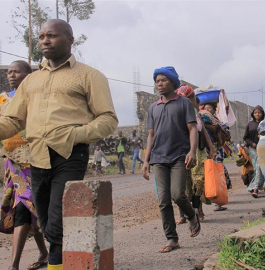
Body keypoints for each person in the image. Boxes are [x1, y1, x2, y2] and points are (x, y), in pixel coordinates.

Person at [0, 19, 118, 269]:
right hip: (37, 157)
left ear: (70, 40)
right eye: (41, 36)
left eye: (51, 35)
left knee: (56, 221)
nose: (44, 40)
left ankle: (56, 265)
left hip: (70, 155)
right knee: (43, 220)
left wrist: (74, 135)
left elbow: (108, 119)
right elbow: (11, 119)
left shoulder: (89, 75)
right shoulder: (31, 81)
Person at [142, 66, 200, 253]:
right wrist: (146, 160)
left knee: (177, 194)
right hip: (158, 158)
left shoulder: (184, 103)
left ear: (173, 82)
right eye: (157, 81)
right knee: (163, 200)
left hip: (179, 157)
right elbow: (151, 135)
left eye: (163, 80)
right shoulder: (153, 107)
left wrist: (192, 151)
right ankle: (172, 239)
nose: (159, 83)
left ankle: (191, 215)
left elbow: (192, 129)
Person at [0, 61, 48, 270]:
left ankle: (14, 265)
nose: (11, 75)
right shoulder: (2, 99)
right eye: (9, 72)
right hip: (12, 163)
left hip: (35, 160)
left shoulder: (37, 98)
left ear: (29, 75)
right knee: (27, 208)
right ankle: (43, 253)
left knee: (25, 207)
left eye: (16, 72)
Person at [175, 85, 215, 224]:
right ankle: (183, 214)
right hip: (182, 152)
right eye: (185, 98)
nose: (189, 100)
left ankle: (197, 209)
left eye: (191, 97)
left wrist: (210, 147)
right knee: (183, 184)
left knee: (199, 181)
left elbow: (202, 130)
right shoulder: (176, 112)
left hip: (198, 151)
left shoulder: (195, 113)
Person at [200, 102, 232, 211]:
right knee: (209, 172)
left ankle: (219, 199)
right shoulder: (200, 118)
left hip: (216, 148)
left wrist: (205, 125)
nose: (207, 110)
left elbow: (217, 129)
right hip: (205, 150)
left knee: (218, 170)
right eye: (205, 108)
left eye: (210, 108)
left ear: (214, 110)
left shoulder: (215, 121)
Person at [243, 105, 265, 198]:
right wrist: (252, 144)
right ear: (253, 114)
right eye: (255, 113)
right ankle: (255, 188)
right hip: (253, 149)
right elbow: (245, 137)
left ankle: (254, 186)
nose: (257, 114)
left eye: (259, 112)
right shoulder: (250, 124)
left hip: (264, 148)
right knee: (258, 167)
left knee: (261, 167)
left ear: (262, 114)